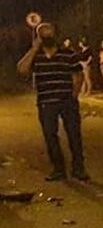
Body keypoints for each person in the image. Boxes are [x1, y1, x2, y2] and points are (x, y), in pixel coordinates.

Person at [16, 23, 90, 182]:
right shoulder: (36, 56)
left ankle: (78, 168)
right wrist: (34, 49)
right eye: (43, 34)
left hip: (67, 101)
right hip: (46, 102)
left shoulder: (67, 53)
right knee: (50, 136)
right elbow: (22, 69)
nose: (47, 37)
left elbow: (78, 74)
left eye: (49, 33)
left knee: (74, 135)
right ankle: (58, 169)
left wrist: (74, 94)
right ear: (39, 37)